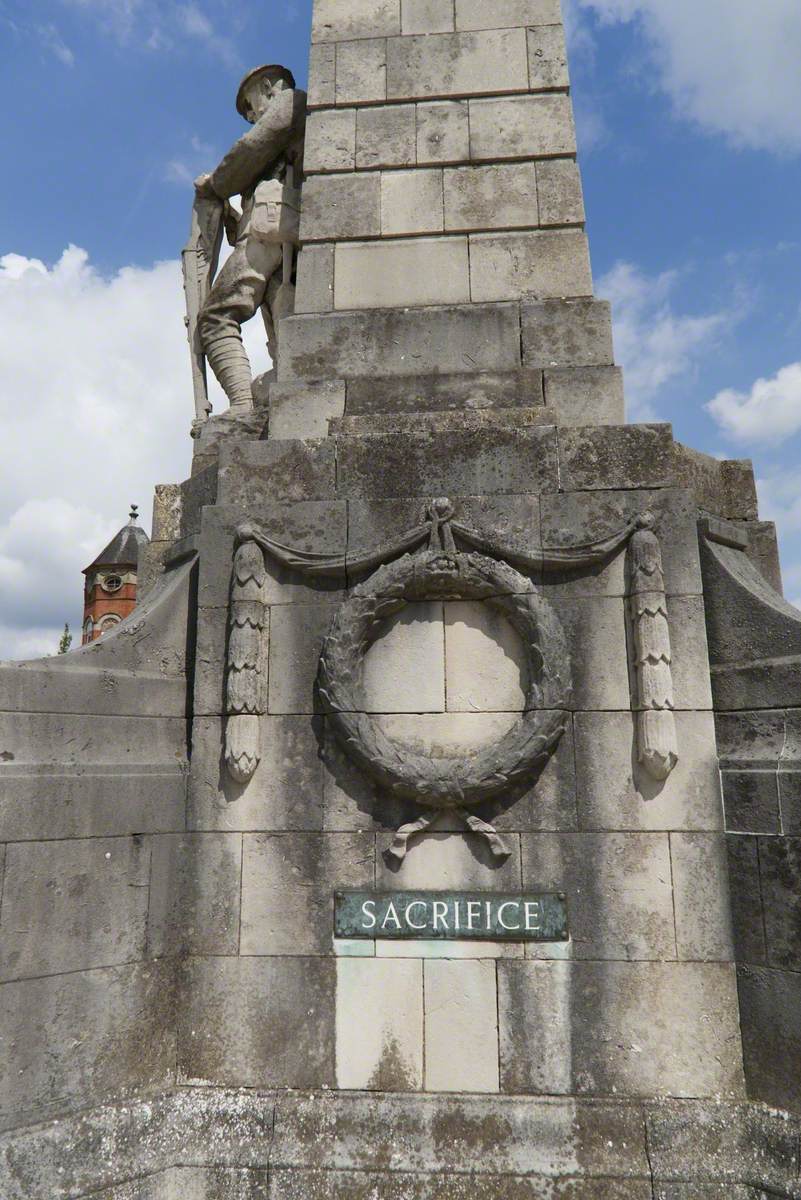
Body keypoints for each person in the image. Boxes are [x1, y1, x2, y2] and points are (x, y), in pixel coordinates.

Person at [193, 64, 306, 410]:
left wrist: (216, 184)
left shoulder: (291, 103)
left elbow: (249, 151)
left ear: (269, 87)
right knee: (281, 320)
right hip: (273, 234)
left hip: (272, 232)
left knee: (215, 316)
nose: (251, 115)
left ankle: (242, 404)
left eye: (250, 105)